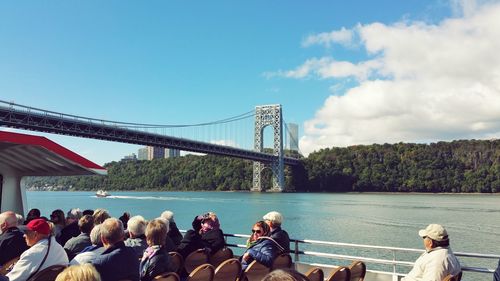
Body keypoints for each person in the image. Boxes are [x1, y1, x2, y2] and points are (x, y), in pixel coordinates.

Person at [4, 218, 68, 281]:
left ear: (35, 234)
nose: (24, 235)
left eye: (26, 232)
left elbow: (11, 279)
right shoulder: (60, 249)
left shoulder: (31, 253)